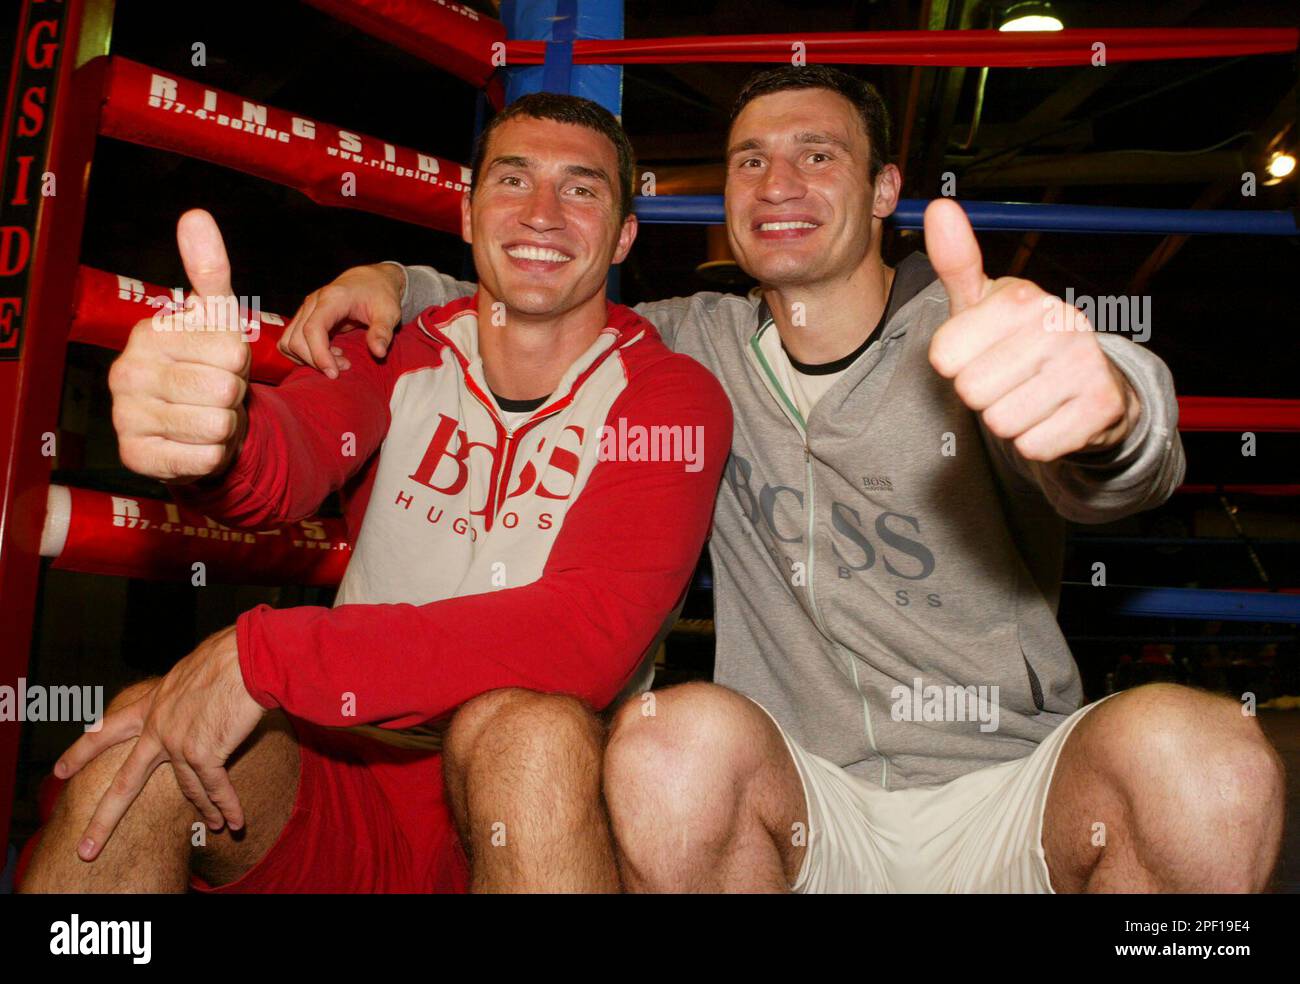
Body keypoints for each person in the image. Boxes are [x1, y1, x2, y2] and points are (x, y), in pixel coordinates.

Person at [291, 66, 1286, 894]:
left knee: (1208, 761)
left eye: (819, 156)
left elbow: (1121, 444)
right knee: (665, 746)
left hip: (1012, 787)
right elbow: (535, 294)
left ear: (886, 187)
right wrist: (394, 280)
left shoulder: (973, 333)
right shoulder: (687, 352)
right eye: (750, 161)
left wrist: (1108, 409)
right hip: (802, 803)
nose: (779, 183)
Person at [20, 93, 731, 894]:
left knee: (529, 736)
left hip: (537, 802)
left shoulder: (673, 398)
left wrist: (270, 657)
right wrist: (218, 437)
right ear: (467, 217)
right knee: (148, 746)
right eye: (513, 180)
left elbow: (583, 637)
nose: (541, 213)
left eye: (581, 189)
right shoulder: (394, 349)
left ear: (623, 235)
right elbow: (286, 460)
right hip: (342, 768)